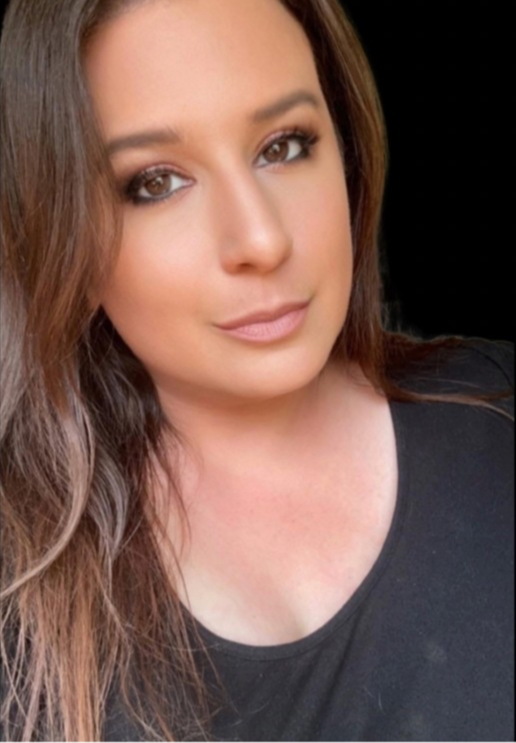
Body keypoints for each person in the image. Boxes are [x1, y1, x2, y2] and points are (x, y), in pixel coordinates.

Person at [0, 0, 513, 741]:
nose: (262, 240)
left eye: (284, 146)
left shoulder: (498, 421)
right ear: (60, 233)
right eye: (155, 183)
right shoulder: (19, 600)